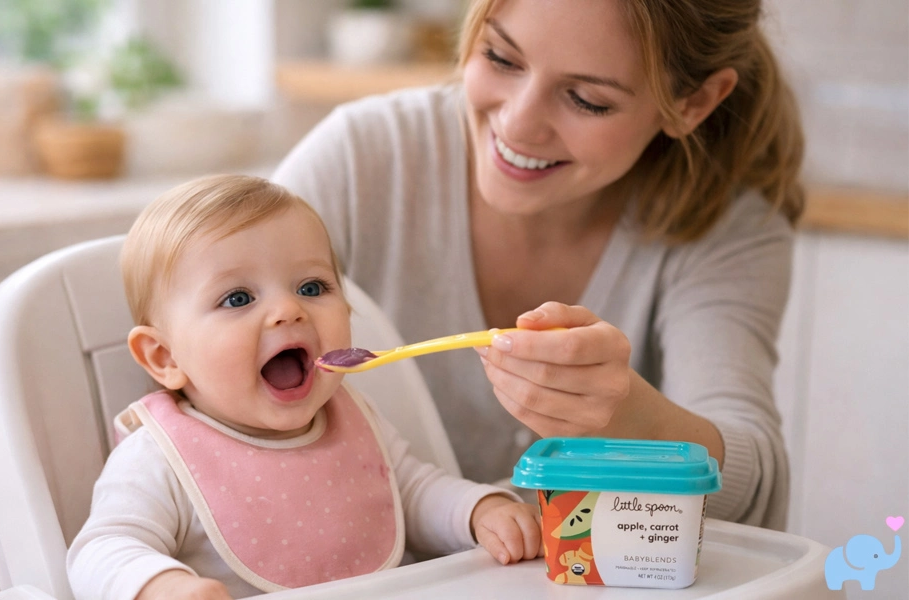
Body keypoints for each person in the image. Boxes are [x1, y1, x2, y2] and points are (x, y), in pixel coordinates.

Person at [272, 0, 804, 531]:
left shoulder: (726, 228)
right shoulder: (363, 157)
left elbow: (755, 490)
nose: (519, 124)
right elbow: (194, 347)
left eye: (586, 99)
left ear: (693, 102)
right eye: (501, 58)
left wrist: (628, 416)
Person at [66, 175, 541, 600]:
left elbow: (412, 492)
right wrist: (158, 585)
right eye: (238, 298)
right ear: (165, 358)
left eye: (312, 287)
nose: (288, 310)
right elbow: (102, 547)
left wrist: (479, 511)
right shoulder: (161, 456)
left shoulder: (350, 415)